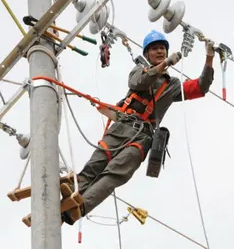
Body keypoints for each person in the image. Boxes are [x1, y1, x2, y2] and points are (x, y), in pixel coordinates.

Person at [61, 30, 215, 225]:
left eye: (162, 49)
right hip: (121, 128)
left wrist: (209, 57)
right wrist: (164, 65)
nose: (159, 52)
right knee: (95, 165)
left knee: (115, 173)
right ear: (147, 54)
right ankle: (72, 191)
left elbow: (201, 87)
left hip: (142, 137)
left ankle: (80, 207)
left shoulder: (172, 85)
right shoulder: (139, 70)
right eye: (154, 49)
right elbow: (139, 82)